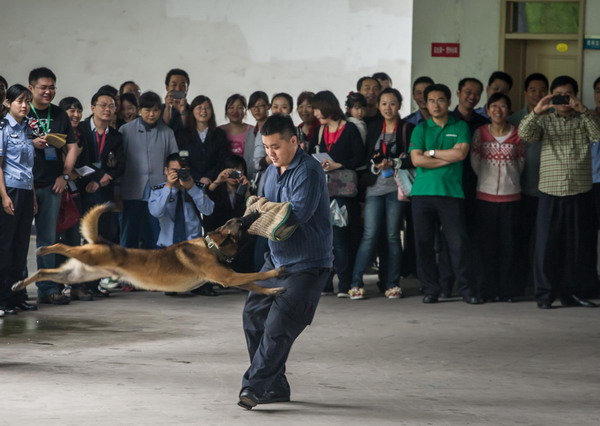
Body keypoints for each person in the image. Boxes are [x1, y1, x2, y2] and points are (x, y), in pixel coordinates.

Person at [237, 114, 332, 410]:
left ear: (294, 140)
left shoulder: (309, 171)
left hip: (308, 264)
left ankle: (254, 387)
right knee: (253, 318)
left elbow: (290, 220)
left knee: (278, 327)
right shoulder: (270, 171)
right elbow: (261, 210)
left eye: (275, 146)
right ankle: (275, 386)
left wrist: (261, 212)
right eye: (266, 147)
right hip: (276, 260)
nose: (270, 153)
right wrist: (261, 212)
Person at [518, 75, 600, 309]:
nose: (563, 100)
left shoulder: (585, 118)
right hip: (551, 191)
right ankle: (544, 294)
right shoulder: (544, 120)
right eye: (558, 95)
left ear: (575, 96)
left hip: (579, 189)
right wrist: (537, 110)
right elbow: (524, 135)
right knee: (546, 246)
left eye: (568, 95)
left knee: (576, 246)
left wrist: (582, 110)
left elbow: (597, 135)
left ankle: (571, 293)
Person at [409, 83, 482, 305]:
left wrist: (430, 153)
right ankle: (431, 289)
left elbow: (460, 154)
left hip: (451, 193)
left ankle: (466, 289)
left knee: (458, 243)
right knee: (423, 244)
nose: (436, 104)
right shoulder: (420, 128)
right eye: (431, 101)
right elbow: (415, 159)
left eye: (440, 100)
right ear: (426, 103)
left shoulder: (460, 126)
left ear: (449, 101)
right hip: (422, 194)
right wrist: (445, 157)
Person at [349, 88, 414, 300]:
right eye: (384, 103)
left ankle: (392, 284)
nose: (388, 107)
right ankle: (356, 282)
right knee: (369, 235)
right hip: (374, 189)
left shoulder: (407, 128)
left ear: (400, 105)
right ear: (378, 106)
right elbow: (365, 157)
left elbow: (412, 158)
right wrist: (376, 165)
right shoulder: (373, 127)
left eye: (393, 103)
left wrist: (394, 162)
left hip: (397, 189)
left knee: (393, 236)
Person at [28, 67, 78, 306]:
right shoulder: (22, 112)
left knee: (47, 240)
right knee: (14, 239)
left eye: (52, 87)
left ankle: (47, 289)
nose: (48, 92)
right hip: (23, 187)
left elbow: (72, 147)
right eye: (43, 87)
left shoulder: (59, 115)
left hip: (52, 186)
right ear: (31, 88)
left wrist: (65, 176)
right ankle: (13, 289)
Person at [471, 93, 524, 302]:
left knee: (509, 246)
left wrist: (508, 183)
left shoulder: (517, 134)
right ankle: (486, 289)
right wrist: (488, 182)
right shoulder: (480, 133)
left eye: (503, 106)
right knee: (486, 246)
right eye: (494, 106)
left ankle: (506, 290)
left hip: (511, 198)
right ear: (487, 110)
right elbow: (475, 163)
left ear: (509, 110)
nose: (498, 110)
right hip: (485, 199)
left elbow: (520, 164)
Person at [312, 90, 364, 297]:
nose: (315, 113)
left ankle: (344, 283)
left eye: (317, 108)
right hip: (324, 190)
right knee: (325, 239)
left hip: (343, 190)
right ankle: (326, 283)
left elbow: (360, 157)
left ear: (327, 106)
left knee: (341, 239)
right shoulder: (320, 131)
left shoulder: (350, 128)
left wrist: (338, 165)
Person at [119, 91, 178, 260]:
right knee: (129, 234)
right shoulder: (125, 130)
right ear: (139, 110)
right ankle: (127, 278)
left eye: (155, 110)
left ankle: (154, 276)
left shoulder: (167, 132)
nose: (152, 114)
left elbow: (173, 160)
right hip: (131, 190)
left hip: (158, 191)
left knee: (155, 235)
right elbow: (119, 162)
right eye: (147, 110)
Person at [148, 152, 215, 296]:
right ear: (166, 171)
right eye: (174, 171)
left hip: (194, 247)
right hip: (168, 247)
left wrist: (192, 189)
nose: (178, 175)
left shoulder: (195, 187)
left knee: (202, 286)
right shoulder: (158, 191)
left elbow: (208, 210)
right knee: (171, 288)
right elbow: (156, 212)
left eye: (182, 171)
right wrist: (168, 188)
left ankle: (196, 282)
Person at [508, 73, 548, 295]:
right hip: (521, 190)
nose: (537, 94)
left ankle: (544, 285)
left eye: (542, 89)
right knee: (521, 240)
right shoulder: (514, 119)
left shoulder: (553, 117)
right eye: (533, 90)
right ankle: (520, 285)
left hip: (548, 191)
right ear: (525, 93)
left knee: (546, 241)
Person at [0, 84, 37, 315]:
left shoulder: (26, 129)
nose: (24, 106)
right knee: (4, 246)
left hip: (25, 191)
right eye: (19, 101)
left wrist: (33, 197)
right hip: (10, 191)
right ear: (8, 103)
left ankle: (15, 296)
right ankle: (2, 298)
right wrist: (3, 196)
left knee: (20, 247)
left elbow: (29, 167)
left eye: (27, 101)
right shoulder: (2, 128)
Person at [205, 155, 254, 276]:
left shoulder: (244, 189)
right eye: (230, 171)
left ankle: (242, 274)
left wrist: (246, 190)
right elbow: (206, 197)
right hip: (219, 228)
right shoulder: (217, 190)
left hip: (239, 230)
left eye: (238, 171)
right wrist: (218, 181)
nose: (233, 176)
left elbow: (251, 208)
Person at [176, 95, 228, 186]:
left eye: (207, 108)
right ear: (192, 111)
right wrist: (198, 177)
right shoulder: (183, 134)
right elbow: (182, 159)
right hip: (190, 183)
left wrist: (210, 178)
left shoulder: (220, 134)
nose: (203, 111)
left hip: (215, 183)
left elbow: (222, 160)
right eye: (199, 107)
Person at [220, 94, 255, 174]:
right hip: (224, 176)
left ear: (245, 111)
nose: (235, 111)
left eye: (240, 108)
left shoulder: (253, 131)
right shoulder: (219, 131)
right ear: (226, 110)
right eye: (231, 107)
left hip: (246, 174)